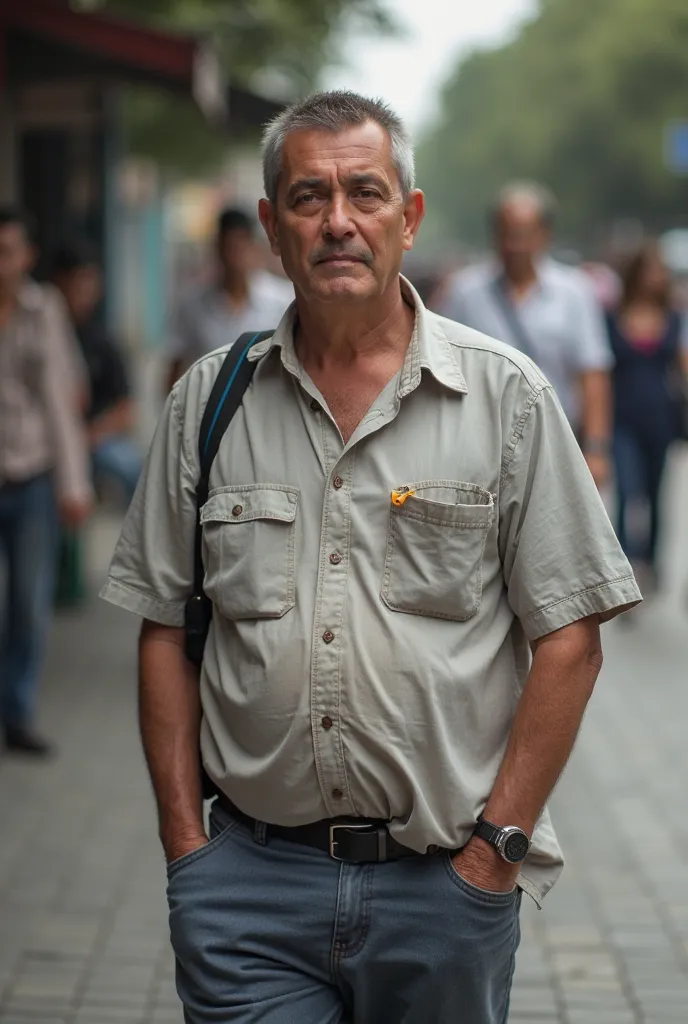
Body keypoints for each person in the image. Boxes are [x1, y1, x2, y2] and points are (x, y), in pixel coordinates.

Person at [101, 91, 641, 1024]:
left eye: (366, 193)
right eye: (309, 198)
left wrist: (494, 854)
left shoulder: (503, 399)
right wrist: (187, 847)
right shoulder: (208, 403)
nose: (338, 222)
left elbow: (571, 636)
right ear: (271, 226)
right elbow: (163, 630)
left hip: (444, 895)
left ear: (410, 215)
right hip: (248, 893)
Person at [440, 182, 614, 486]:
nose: (514, 244)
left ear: (545, 234)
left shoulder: (575, 292)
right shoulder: (464, 292)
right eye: (506, 233)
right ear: (494, 235)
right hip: (482, 447)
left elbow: (593, 374)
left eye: (523, 234)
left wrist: (596, 449)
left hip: (557, 443)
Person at [0, 207, 91, 756]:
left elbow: (61, 400)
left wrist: (73, 485)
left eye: (8, 251)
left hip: (32, 479)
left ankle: (17, 712)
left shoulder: (44, 309)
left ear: (27, 257)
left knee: (29, 607)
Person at [607, 242, 687, 593]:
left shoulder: (673, 317)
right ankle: (626, 566)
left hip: (660, 418)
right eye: (651, 268)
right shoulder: (612, 316)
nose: (657, 276)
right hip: (622, 418)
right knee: (627, 491)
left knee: (656, 495)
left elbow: (682, 368)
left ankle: (651, 564)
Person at [50, 242, 142, 506]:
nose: (87, 293)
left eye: (92, 284)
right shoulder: (43, 332)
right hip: (47, 443)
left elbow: (126, 410)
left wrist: (88, 437)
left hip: (94, 440)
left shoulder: (101, 340)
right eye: (79, 284)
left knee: (134, 469)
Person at [166, 206, 293, 390]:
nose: (235, 257)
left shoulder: (282, 301)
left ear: (253, 247)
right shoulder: (192, 306)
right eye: (229, 248)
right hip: (210, 411)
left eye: (241, 247)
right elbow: (175, 367)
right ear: (217, 249)